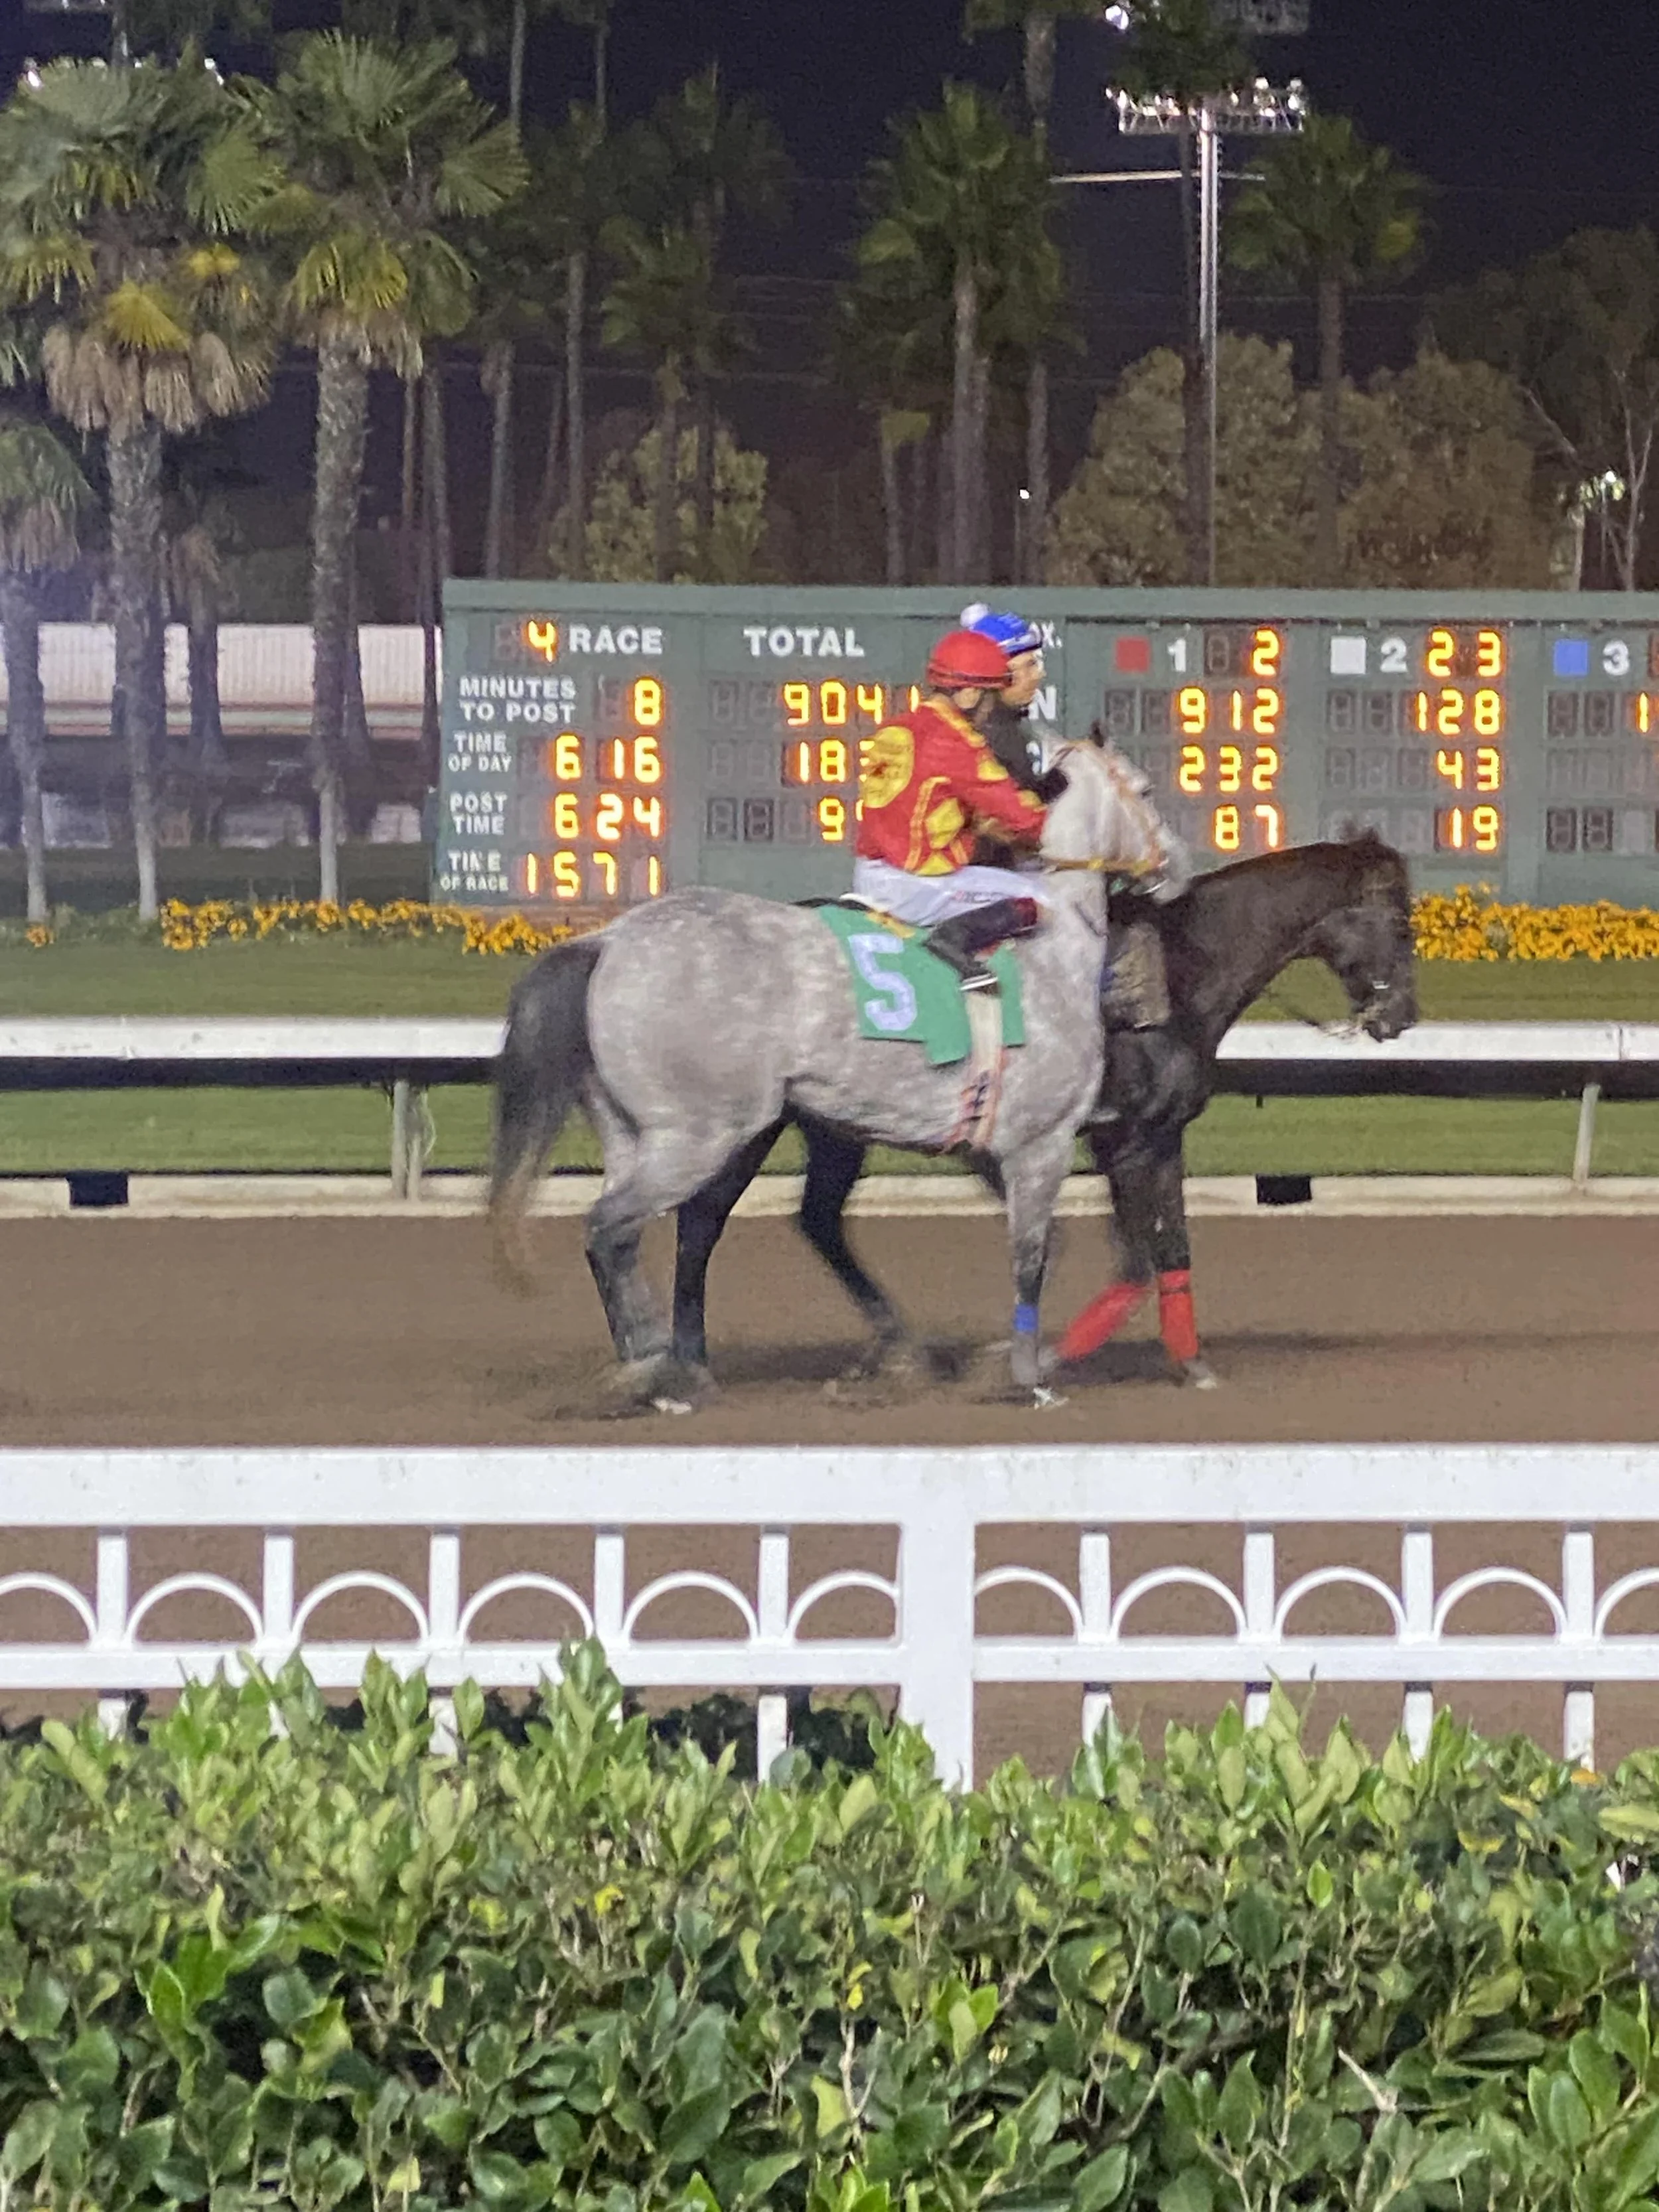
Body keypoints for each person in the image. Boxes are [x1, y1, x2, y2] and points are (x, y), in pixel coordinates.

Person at [960, 603, 1192, 1035]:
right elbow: (997, 832)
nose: (1039, 674)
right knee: (1066, 917)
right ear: (998, 676)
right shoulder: (991, 738)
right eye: (1028, 665)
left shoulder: (1009, 733)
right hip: (969, 881)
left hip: (974, 874)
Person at [853, 627, 1050, 990]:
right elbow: (1026, 819)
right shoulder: (958, 741)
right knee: (1042, 898)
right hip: (916, 887)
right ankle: (952, 941)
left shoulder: (899, 725)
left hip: (869, 872)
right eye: (990, 697)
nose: (990, 708)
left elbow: (920, 803)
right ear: (971, 694)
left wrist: (978, 826)